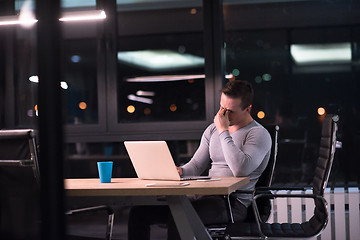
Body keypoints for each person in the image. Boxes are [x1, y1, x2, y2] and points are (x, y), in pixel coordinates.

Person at [127, 80, 272, 240]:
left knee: (179, 219)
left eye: (230, 111)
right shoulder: (211, 130)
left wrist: (224, 131)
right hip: (204, 196)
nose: (223, 115)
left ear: (248, 109)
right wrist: (180, 170)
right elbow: (196, 165)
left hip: (231, 203)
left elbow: (240, 169)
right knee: (139, 214)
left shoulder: (258, 134)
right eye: (221, 108)